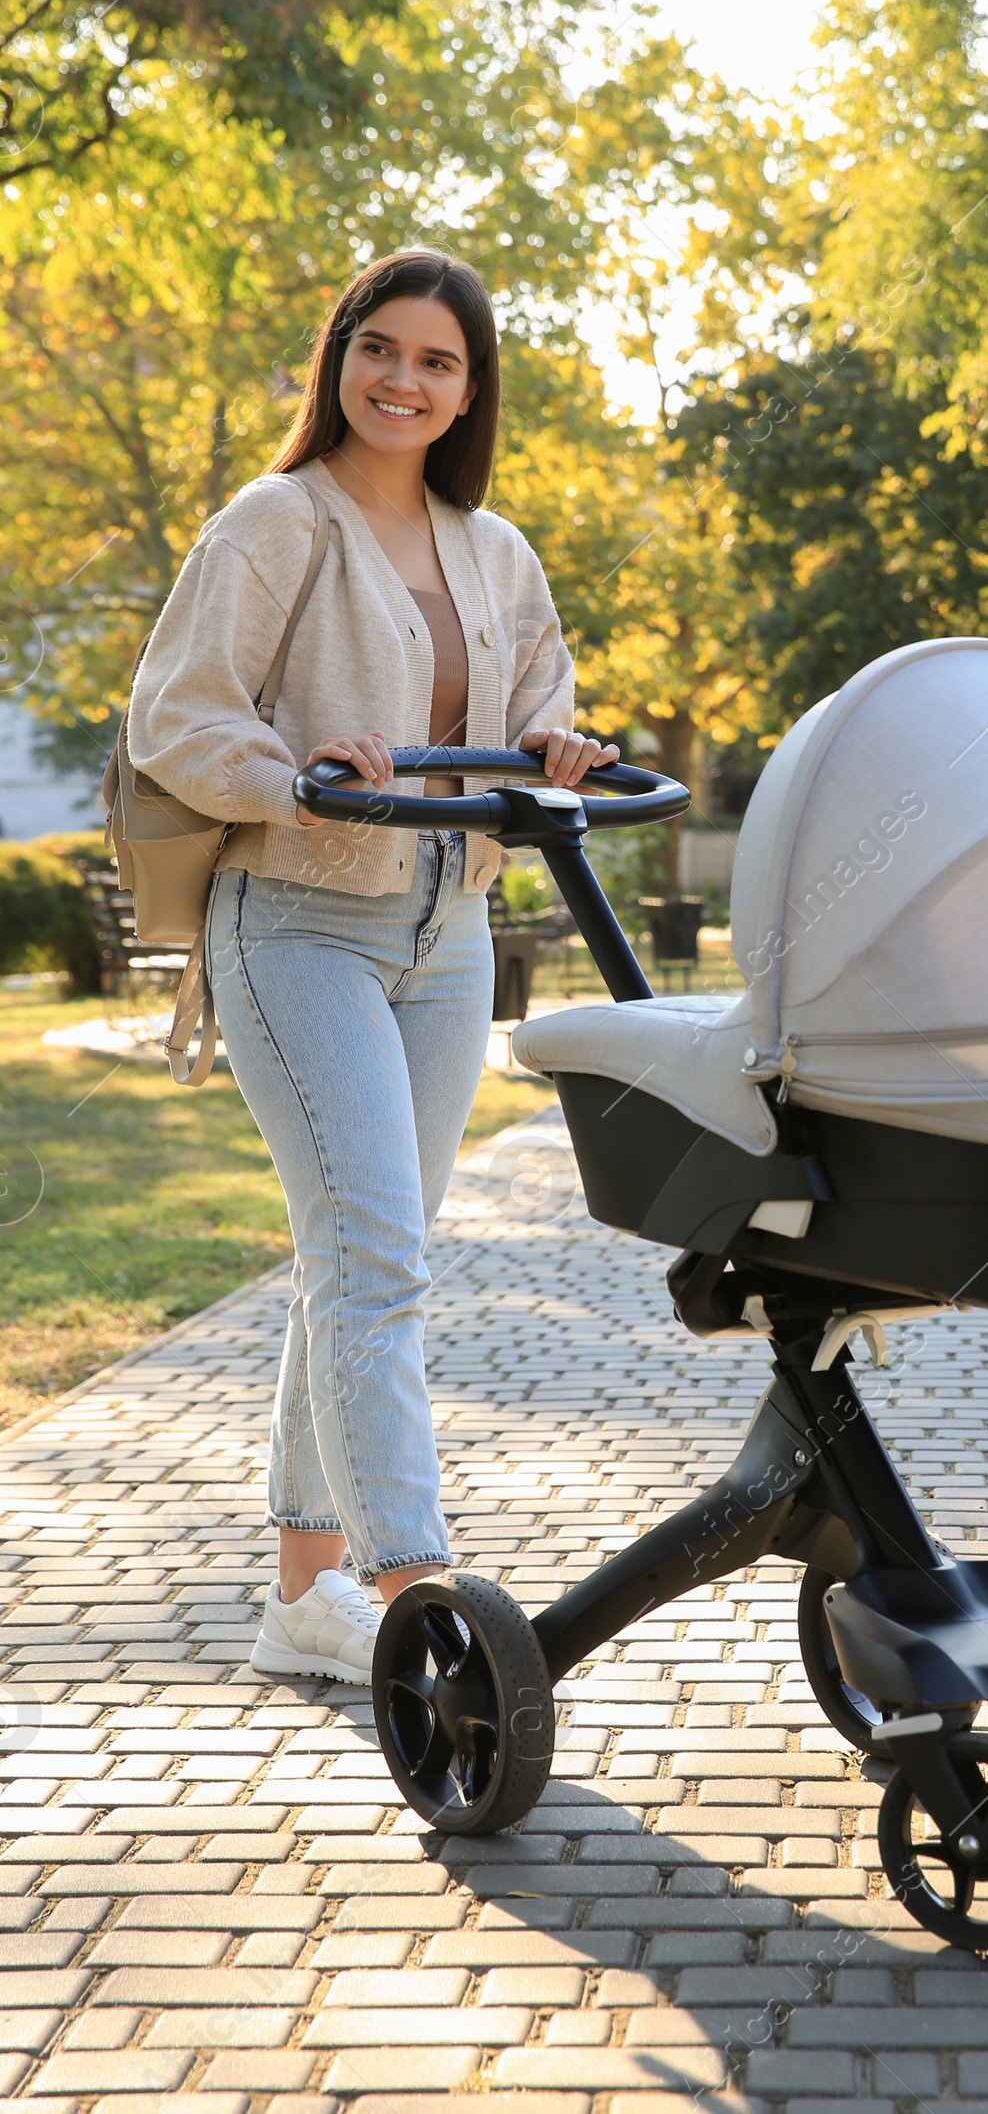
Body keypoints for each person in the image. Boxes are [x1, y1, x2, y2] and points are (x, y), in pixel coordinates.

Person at [129, 247, 617, 1684]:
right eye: (381, 349)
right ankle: (421, 1592)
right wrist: (295, 774)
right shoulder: (275, 523)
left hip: (446, 937)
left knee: (357, 1260)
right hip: (296, 923)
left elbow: (542, 699)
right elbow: (179, 713)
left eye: (438, 362)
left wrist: (559, 751)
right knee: (375, 1260)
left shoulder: (497, 546)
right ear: (339, 358)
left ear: (472, 390)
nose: (405, 380)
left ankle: (303, 1592)